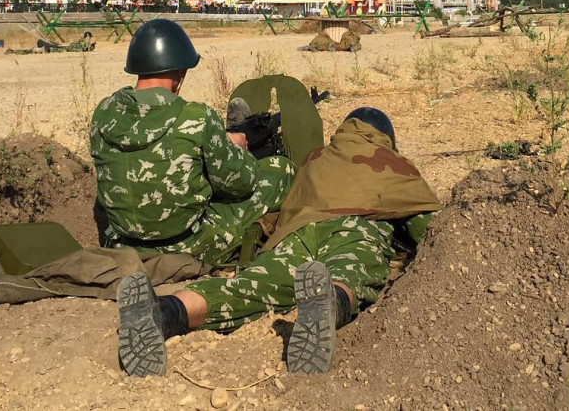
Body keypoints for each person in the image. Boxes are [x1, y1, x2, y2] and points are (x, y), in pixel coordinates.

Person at [117, 107, 441, 378]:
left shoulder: (317, 157)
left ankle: (165, 311)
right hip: (354, 230)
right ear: (386, 139)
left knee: (246, 288)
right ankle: (329, 301)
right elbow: (427, 227)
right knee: (349, 273)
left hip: (296, 234)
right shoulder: (395, 164)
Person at [90, 19, 295, 268]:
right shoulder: (196, 117)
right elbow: (241, 185)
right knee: (281, 170)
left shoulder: (103, 113)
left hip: (122, 246)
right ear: (179, 72)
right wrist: (235, 151)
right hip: (186, 248)